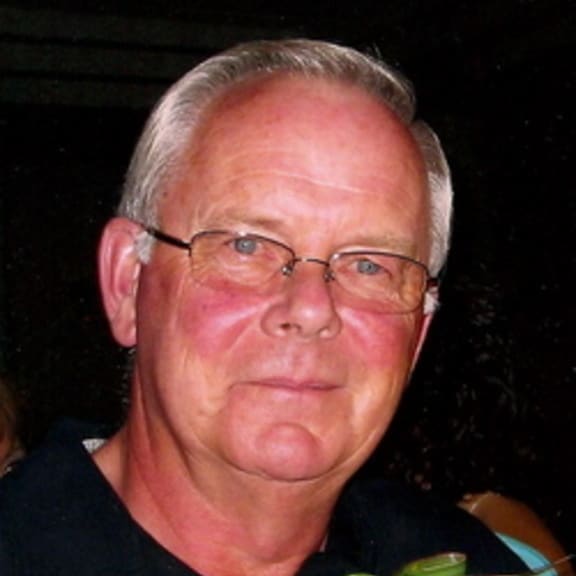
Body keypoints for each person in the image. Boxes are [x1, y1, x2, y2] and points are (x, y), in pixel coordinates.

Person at [0, 39, 530, 576]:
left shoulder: (476, 563)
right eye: (246, 245)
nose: (312, 309)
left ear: (417, 336)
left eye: (370, 265)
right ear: (127, 283)